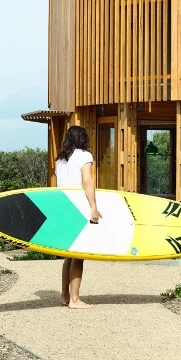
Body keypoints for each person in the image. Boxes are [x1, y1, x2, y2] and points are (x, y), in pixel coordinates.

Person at [55, 125, 102, 309]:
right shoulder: (84, 156)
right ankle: (75, 300)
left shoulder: (60, 160)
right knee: (79, 255)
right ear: (83, 139)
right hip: (78, 209)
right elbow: (87, 181)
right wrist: (94, 207)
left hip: (63, 209)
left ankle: (65, 296)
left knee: (69, 255)